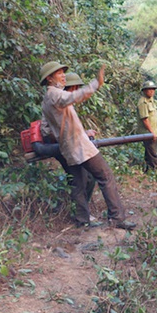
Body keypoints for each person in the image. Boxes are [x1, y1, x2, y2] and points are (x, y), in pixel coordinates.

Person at [40, 60, 135, 230]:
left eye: (63, 73)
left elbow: (46, 129)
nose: (63, 76)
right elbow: (74, 97)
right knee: (105, 176)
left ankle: (82, 220)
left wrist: (65, 134)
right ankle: (117, 218)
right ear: (49, 78)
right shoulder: (55, 94)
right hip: (80, 146)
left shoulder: (46, 100)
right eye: (59, 73)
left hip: (68, 148)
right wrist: (95, 84)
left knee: (78, 183)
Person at [40, 72, 96, 213]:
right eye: (75, 88)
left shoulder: (65, 103)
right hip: (61, 145)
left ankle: (81, 210)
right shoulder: (56, 100)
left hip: (72, 144)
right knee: (80, 179)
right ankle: (79, 213)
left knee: (88, 177)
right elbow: (48, 130)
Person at [136, 80, 157, 172]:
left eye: (153, 89)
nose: (151, 91)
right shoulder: (143, 102)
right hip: (148, 133)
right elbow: (144, 119)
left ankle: (148, 170)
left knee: (149, 152)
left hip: (154, 131)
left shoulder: (151, 101)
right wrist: (151, 132)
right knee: (153, 152)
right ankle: (155, 171)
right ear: (144, 91)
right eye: (149, 90)